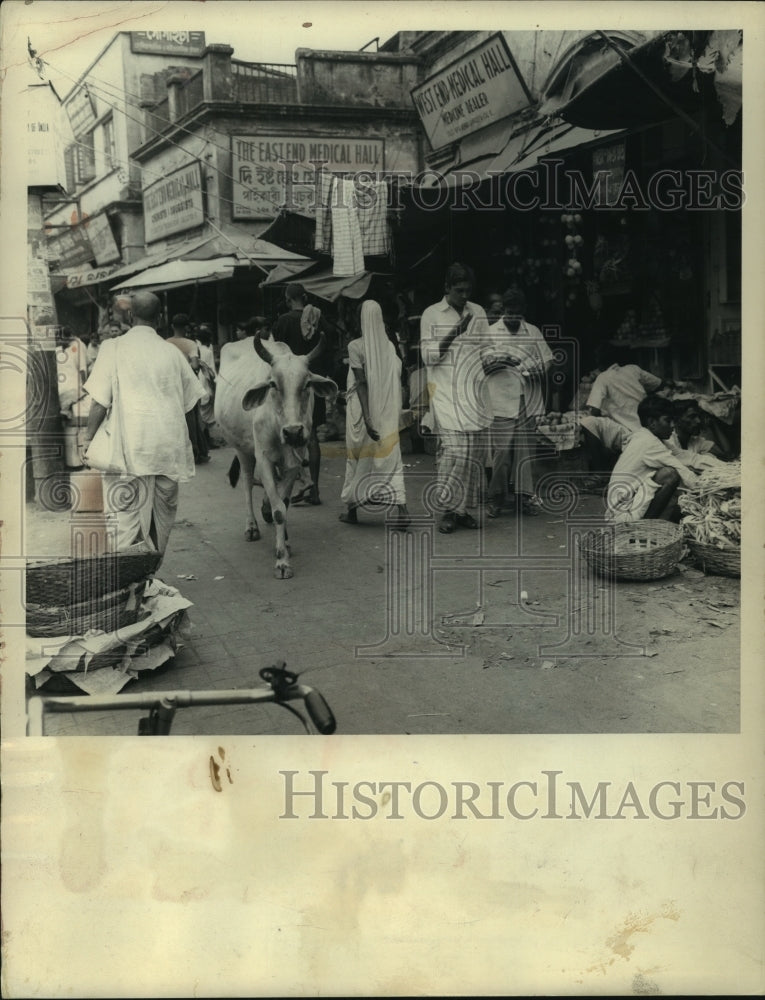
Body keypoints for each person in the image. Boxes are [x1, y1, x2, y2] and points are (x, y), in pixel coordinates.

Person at [82, 291, 204, 560]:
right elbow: (189, 403)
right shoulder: (172, 353)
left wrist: (87, 439)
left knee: (124, 526)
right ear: (160, 318)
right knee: (160, 523)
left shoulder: (113, 348)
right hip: (166, 452)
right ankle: (150, 577)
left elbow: (99, 402)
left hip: (125, 452)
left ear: (129, 316)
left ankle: (132, 588)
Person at [420, 262, 492, 533]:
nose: (464, 296)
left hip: (473, 394)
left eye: (468, 291)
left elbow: (486, 350)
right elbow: (428, 356)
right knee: (454, 452)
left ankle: (462, 511)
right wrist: (454, 333)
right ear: (447, 288)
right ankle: (448, 510)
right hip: (445, 394)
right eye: (459, 290)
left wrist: (499, 361)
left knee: (473, 454)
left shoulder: (479, 312)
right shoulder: (432, 314)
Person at [482, 287, 553, 517]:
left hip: (527, 399)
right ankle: (496, 497)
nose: (513, 318)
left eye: (517, 313)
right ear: (504, 310)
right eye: (509, 313)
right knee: (501, 452)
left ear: (523, 311)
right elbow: (484, 366)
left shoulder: (532, 331)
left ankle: (524, 497)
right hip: (500, 399)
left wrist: (538, 369)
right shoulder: (491, 333)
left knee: (525, 452)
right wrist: (501, 360)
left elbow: (548, 360)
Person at [339, 300, 410, 528]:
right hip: (387, 409)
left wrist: (368, 419)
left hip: (363, 411)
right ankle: (402, 511)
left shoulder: (355, 347)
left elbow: (361, 383)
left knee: (357, 456)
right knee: (390, 456)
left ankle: (352, 510)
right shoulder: (388, 346)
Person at [271, 284, 328, 505]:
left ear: (287, 300)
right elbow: (326, 347)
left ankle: (294, 485)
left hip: (288, 388)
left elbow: (276, 353)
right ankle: (314, 491)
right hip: (310, 382)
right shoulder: (318, 318)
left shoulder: (283, 322)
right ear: (304, 297)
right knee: (311, 436)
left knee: (286, 435)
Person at [606, 395, 700, 523]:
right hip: (623, 514)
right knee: (670, 474)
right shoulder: (649, 443)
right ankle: (645, 527)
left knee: (679, 479)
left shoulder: (645, 436)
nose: (672, 426)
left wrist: (720, 468)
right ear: (652, 423)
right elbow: (681, 469)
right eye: (668, 421)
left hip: (623, 505)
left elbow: (685, 456)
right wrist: (705, 489)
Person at [165, 313, 210, 464]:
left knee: (172, 417)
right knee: (191, 416)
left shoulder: (166, 343)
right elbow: (195, 365)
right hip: (187, 384)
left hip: (170, 384)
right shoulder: (191, 344)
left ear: (172, 326)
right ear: (186, 328)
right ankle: (196, 450)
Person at [586, 347, 665, 432]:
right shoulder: (633, 369)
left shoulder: (603, 377)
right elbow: (659, 384)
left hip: (627, 429)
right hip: (648, 424)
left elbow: (594, 410)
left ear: (599, 364)